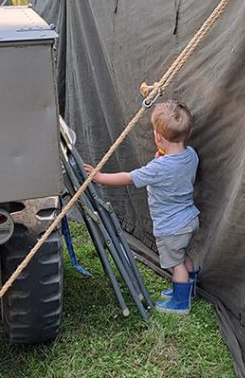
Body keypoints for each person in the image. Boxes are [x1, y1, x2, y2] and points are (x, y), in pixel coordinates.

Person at [85, 100, 199, 314]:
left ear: (158, 137)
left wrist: (99, 177)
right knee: (183, 256)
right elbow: (176, 170)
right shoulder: (191, 155)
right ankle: (188, 290)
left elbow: (128, 178)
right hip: (190, 219)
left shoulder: (158, 168)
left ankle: (180, 303)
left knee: (177, 265)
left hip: (171, 226)